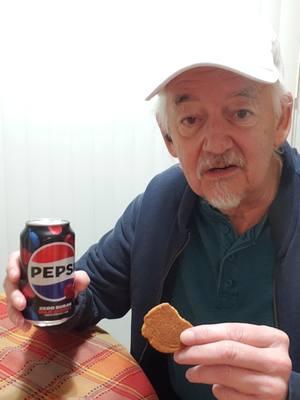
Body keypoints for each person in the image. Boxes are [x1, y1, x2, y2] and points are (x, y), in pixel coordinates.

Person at [3, 17, 300, 400]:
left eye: (240, 113)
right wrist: (47, 293)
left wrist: (289, 390)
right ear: (169, 138)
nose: (214, 144)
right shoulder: (158, 205)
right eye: (191, 119)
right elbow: (91, 293)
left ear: (282, 120)